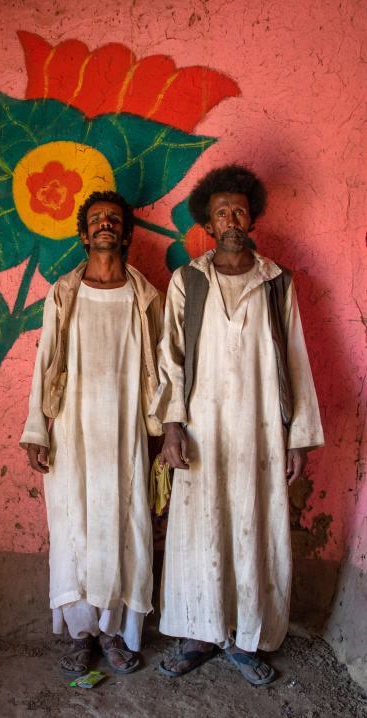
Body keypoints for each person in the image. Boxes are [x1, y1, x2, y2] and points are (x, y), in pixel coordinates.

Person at [149, 165, 324, 685]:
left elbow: (295, 360)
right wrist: (173, 427)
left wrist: (298, 438)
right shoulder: (188, 281)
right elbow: (170, 361)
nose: (230, 219)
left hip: (261, 432)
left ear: (252, 217)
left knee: (254, 529)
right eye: (221, 211)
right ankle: (200, 633)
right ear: (208, 220)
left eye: (239, 211)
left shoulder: (276, 283)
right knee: (198, 531)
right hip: (202, 431)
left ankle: (246, 639)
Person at [20, 190, 163, 677]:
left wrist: (163, 431)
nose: (105, 225)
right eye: (96, 219)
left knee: (124, 527)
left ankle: (114, 631)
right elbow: (44, 364)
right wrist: (38, 431)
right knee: (74, 528)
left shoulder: (144, 296)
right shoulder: (64, 293)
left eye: (114, 220)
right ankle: (81, 635)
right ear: (83, 234)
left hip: (126, 433)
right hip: (74, 434)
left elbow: (161, 368)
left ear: (125, 234)